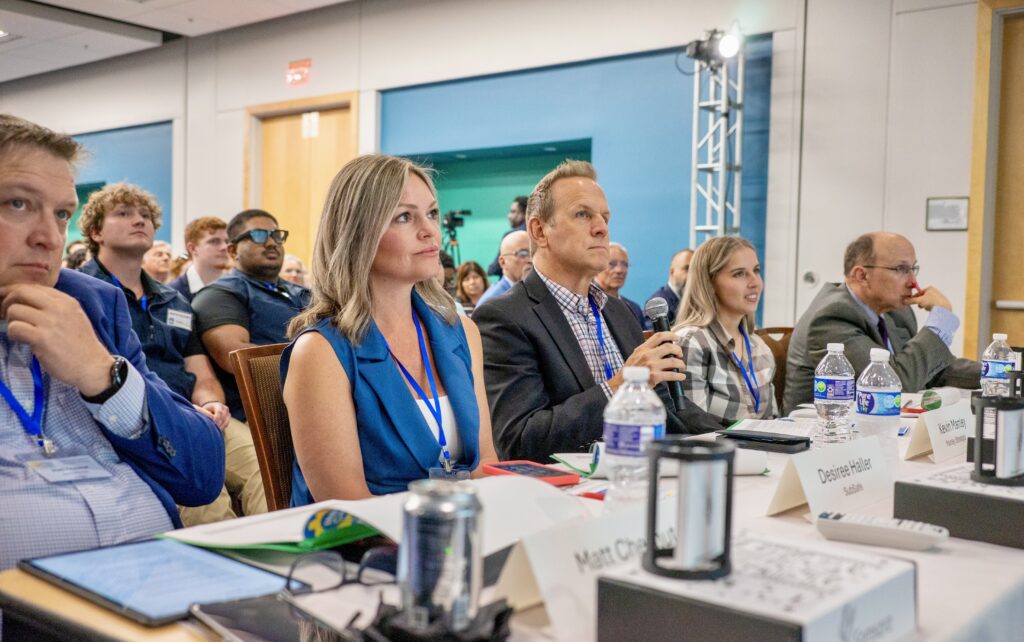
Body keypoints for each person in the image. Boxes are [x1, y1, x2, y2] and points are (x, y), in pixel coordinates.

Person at [0, 114, 223, 570]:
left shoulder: (90, 304)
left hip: (160, 591)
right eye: (18, 204)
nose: (49, 238)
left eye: (61, 213)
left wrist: (106, 379)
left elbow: (202, 475)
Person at [282, 154, 498, 504]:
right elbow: (347, 506)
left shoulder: (462, 332)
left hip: (454, 533)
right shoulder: (320, 353)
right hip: (363, 550)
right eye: (404, 217)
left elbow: (484, 461)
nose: (429, 230)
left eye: (431, 213)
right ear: (358, 234)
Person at [474, 160, 721, 462]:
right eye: (583, 214)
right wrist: (621, 386)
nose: (602, 228)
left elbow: (670, 408)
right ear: (539, 231)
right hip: (566, 495)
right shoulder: (505, 317)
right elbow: (520, 440)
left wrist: (736, 436)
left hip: (640, 475)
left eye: (605, 217)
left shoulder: (617, 311)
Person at [78, 183, 266, 524]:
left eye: (146, 215)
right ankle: (222, 570)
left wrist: (211, 404)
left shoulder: (172, 300)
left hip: (195, 412)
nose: (140, 221)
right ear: (95, 231)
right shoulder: (82, 293)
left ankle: (276, 553)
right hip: (139, 418)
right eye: (124, 214)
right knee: (207, 493)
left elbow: (201, 372)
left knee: (263, 461)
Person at [783, 232, 981, 414]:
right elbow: (893, 387)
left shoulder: (897, 313)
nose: (913, 282)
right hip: (825, 436)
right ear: (862, 276)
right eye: (902, 269)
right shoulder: (830, 318)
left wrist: (1002, 373)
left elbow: (929, 370)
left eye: (914, 269)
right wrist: (941, 321)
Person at [192, 210, 311, 421]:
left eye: (277, 235)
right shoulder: (219, 295)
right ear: (233, 250)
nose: (272, 242)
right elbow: (237, 357)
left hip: (314, 402)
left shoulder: (303, 293)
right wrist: (319, 362)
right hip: (261, 416)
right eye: (259, 235)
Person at [672, 237, 775, 424]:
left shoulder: (759, 347)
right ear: (709, 283)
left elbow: (773, 420)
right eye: (739, 274)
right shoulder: (691, 342)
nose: (755, 282)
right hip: (719, 451)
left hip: (762, 450)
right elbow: (695, 428)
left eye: (756, 271)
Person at [168, 216, 230, 303]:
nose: (225, 247)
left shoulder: (239, 289)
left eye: (227, 242)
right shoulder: (172, 295)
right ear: (192, 248)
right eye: (214, 241)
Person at [594, 242, 650, 330]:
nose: (619, 270)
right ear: (596, 266)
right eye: (612, 264)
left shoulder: (633, 308)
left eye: (625, 265)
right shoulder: (587, 305)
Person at [477, 230, 530, 307]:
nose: (530, 260)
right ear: (503, 262)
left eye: (533, 253)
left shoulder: (535, 292)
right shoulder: (491, 303)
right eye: (522, 254)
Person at [647, 248, 693, 324]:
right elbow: (653, 334)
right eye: (686, 269)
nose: (692, 275)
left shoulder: (695, 302)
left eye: (694, 270)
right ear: (672, 272)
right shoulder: (659, 305)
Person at [487, 196, 529, 276]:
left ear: (524, 214)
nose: (509, 216)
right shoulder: (539, 234)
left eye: (513, 212)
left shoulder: (510, 236)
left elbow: (495, 268)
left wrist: (487, 270)